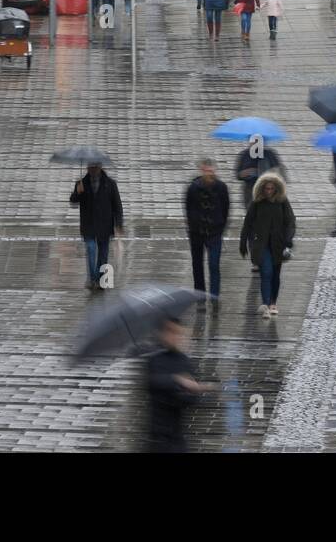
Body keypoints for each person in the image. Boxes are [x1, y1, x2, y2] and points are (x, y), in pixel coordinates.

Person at [146, 318, 217, 452]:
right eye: (171, 332)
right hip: (158, 436)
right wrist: (179, 380)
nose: (176, 337)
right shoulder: (154, 359)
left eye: (179, 333)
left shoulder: (184, 360)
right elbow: (153, 382)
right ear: (162, 335)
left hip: (177, 435)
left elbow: (190, 398)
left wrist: (197, 390)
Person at [239, 172, 295, 318]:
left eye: (272, 188)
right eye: (266, 188)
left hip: (278, 244)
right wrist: (243, 243)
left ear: (276, 189)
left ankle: (273, 303)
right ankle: (265, 305)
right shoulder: (257, 203)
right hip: (261, 244)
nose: (269, 191)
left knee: (276, 274)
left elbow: (290, 222)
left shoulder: (282, 202)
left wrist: (288, 240)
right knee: (266, 272)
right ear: (262, 189)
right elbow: (247, 223)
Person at [70, 162, 124, 291]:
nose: (93, 169)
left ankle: (100, 279)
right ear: (88, 167)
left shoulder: (110, 184)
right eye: (91, 167)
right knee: (91, 248)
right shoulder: (81, 183)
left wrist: (119, 224)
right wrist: (78, 192)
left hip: (105, 225)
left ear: (100, 167)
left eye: (95, 167)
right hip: (88, 224)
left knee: (103, 254)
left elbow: (117, 206)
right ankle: (92, 278)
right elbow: (73, 201)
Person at [184, 159, 230, 300]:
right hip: (197, 232)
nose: (209, 174)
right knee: (197, 264)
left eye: (211, 171)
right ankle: (199, 294)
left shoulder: (221, 187)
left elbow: (226, 208)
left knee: (214, 264)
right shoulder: (193, 188)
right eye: (206, 171)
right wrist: (192, 225)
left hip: (215, 232)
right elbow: (188, 208)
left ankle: (214, 295)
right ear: (201, 171)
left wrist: (221, 226)